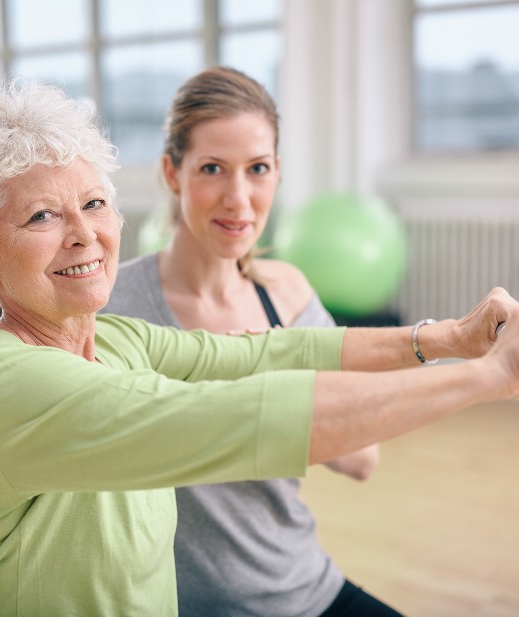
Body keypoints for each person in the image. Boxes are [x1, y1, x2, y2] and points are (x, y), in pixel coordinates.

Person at [0, 79, 519, 617]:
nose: (85, 234)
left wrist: (453, 338)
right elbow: (243, 416)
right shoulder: (5, 384)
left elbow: (266, 356)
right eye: (42, 215)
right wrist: (488, 377)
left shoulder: (116, 339)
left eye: (96, 203)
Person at [102, 66, 392, 616]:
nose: (238, 199)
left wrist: (274, 368)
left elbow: (361, 459)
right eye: (212, 168)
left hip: (304, 588)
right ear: (172, 172)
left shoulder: (283, 295)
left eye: (257, 169)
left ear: (277, 172)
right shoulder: (115, 305)